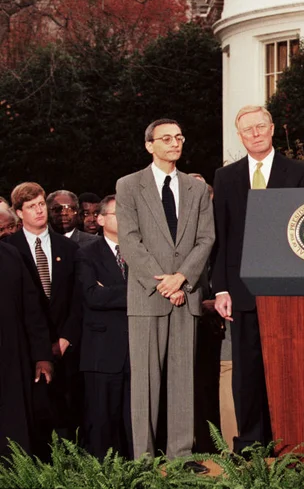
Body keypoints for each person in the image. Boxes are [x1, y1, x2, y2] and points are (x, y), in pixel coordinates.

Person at [116, 119, 214, 471]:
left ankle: (181, 457)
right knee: (144, 382)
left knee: (183, 378)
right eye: (167, 138)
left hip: (184, 296)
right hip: (148, 297)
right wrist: (163, 283)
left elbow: (206, 240)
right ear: (149, 145)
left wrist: (183, 279)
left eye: (179, 138)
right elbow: (129, 240)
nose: (175, 143)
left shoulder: (196, 190)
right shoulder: (129, 186)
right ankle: (142, 459)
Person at [212, 105, 304, 452]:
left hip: (289, 290)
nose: (255, 134)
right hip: (242, 289)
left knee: (289, 368)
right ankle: (251, 442)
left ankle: (290, 440)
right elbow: (221, 237)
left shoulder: (300, 172)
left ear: (272, 128)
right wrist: (221, 287)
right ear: (239, 137)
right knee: (247, 370)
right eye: (247, 130)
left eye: (260, 126)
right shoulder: (226, 177)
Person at [5, 182, 82, 457]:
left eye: (41, 204)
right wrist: (38, 348)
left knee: (69, 417)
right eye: (31, 206)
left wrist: (66, 338)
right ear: (18, 212)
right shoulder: (9, 250)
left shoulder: (70, 248)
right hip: (25, 352)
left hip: (66, 346)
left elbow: (78, 299)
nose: (39, 211)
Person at [76, 195, 132, 459]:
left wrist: (111, 291)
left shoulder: (140, 251)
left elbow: (154, 291)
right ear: (99, 219)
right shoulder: (86, 253)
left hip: (136, 351)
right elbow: (92, 296)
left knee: (133, 423)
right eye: (118, 213)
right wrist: (134, 293)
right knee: (101, 424)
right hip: (101, 353)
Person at [0, 241, 54, 458]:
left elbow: (33, 309)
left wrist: (42, 356)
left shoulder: (10, 254)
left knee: (12, 427)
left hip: (11, 356)